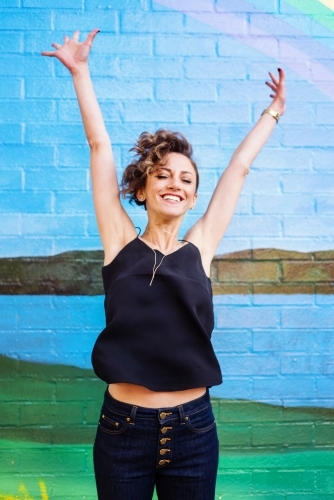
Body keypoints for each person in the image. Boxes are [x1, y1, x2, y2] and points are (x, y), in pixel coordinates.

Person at [42, 29, 286, 500]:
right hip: (123, 431)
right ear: (142, 190)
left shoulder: (201, 247)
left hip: (193, 430)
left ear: (193, 197)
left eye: (186, 179)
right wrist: (80, 73)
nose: (175, 183)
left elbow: (238, 169)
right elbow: (99, 147)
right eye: (163, 175)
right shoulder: (119, 242)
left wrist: (273, 112)